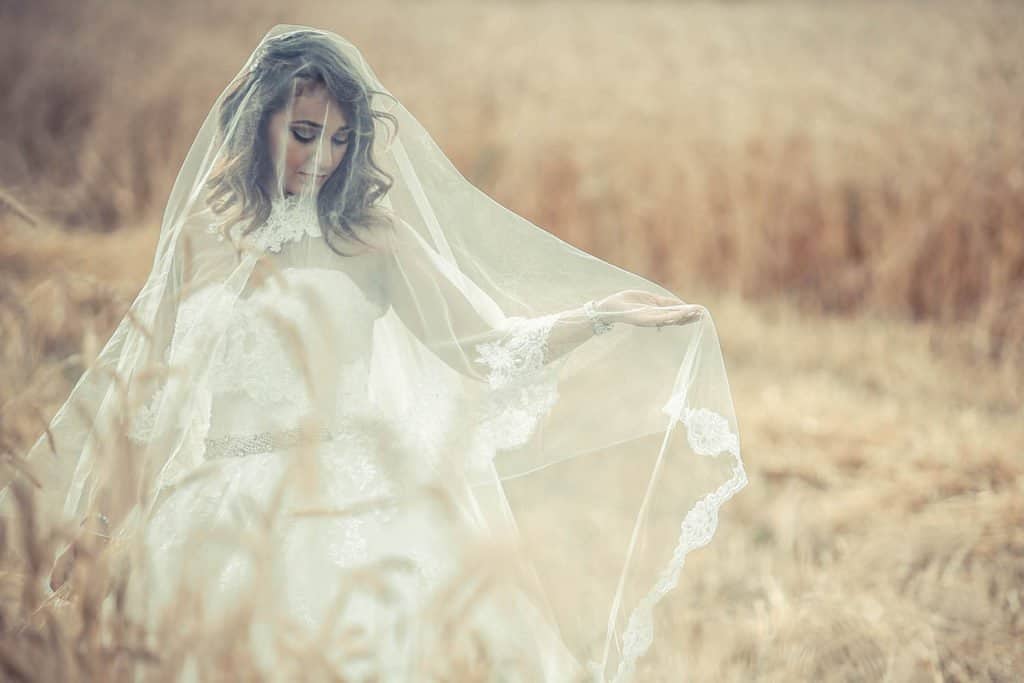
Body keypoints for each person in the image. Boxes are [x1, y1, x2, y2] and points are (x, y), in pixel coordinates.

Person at [0, 25, 747, 682]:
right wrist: (95, 532)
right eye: (303, 133)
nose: (322, 156)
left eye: (339, 137)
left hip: (350, 516)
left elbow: (481, 346)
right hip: (211, 523)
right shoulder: (199, 236)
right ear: (256, 122)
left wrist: (598, 317)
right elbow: (148, 404)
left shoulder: (370, 235)